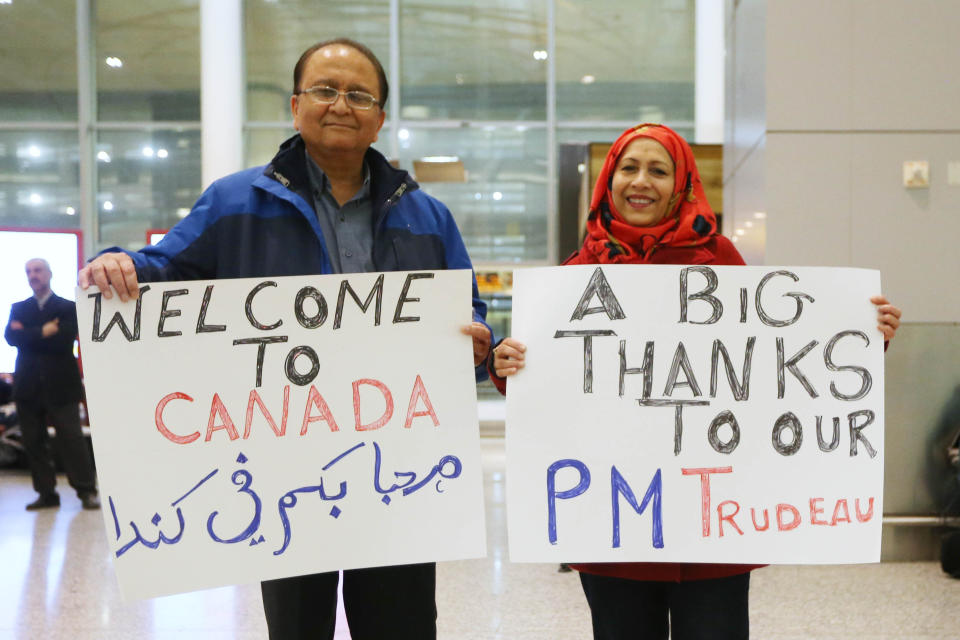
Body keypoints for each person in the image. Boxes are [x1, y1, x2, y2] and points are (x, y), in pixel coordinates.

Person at [79, 38, 492, 640]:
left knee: (401, 622)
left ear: (380, 117)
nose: (340, 105)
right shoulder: (233, 203)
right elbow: (162, 271)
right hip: (285, 473)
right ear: (296, 106)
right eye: (325, 90)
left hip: (399, 472)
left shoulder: (428, 217)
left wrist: (477, 342)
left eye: (359, 95)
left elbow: (469, 317)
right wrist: (116, 264)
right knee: (298, 626)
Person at [489, 123, 903, 640]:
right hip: (613, 528)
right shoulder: (576, 274)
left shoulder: (720, 262)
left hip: (713, 534)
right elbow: (549, 384)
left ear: (682, 185)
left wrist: (862, 337)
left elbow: (774, 361)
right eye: (629, 167)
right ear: (609, 180)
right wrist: (506, 366)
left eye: (659, 170)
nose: (642, 181)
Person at [4, 258, 100, 511]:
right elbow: (11, 338)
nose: (33, 275)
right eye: (28, 271)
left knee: (72, 440)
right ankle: (46, 494)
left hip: (61, 386)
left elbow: (63, 339)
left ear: (49, 274)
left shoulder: (68, 308)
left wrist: (29, 335)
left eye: (37, 270)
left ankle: (86, 491)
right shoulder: (19, 307)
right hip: (27, 387)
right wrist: (44, 331)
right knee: (34, 442)